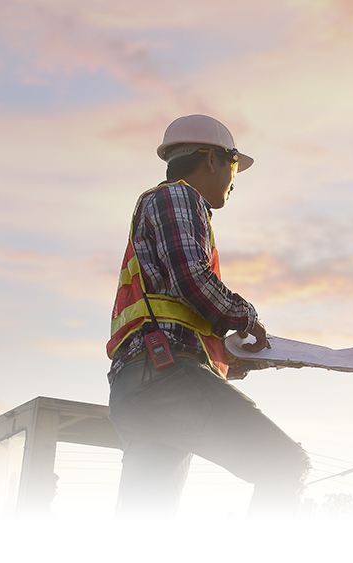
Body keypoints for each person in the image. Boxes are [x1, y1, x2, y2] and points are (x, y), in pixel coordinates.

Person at [106, 114, 310, 517]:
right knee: (285, 465)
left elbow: (176, 310)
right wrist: (246, 317)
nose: (235, 180)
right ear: (211, 159)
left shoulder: (159, 204)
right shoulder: (178, 198)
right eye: (235, 165)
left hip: (140, 386)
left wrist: (231, 358)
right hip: (165, 379)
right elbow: (191, 278)